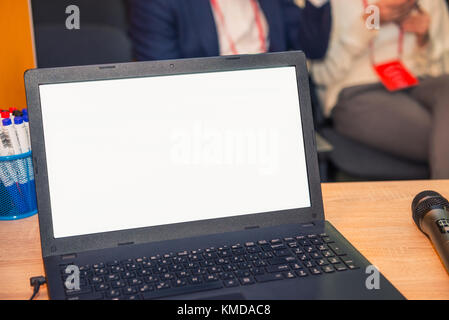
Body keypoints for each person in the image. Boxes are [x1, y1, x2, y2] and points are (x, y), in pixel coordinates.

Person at [311, 0, 449, 179]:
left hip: (417, 82)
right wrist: (368, 23)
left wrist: (425, 39)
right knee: (442, 138)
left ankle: (440, 199)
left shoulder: (429, 3)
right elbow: (321, 75)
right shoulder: (333, 4)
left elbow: (442, 66)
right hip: (358, 91)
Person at [129, 0, 331, 61]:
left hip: (275, 95)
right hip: (208, 111)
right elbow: (163, 83)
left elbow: (313, 49)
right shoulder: (157, 4)